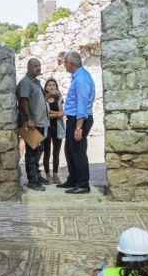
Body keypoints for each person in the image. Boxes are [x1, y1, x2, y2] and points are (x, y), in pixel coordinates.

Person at [58, 51, 95, 194]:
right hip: (74, 119)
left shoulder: (81, 79)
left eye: (65, 63)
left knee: (78, 152)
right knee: (70, 150)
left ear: (71, 64)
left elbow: (82, 104)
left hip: (79, 120)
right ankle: (73, 179)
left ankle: (83, 184)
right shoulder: (78, 76)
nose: (64, 65)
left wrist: (78, 128)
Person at [17, 58, 50, 191]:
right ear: (28, 67)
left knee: (38, 150)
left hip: (41, 122)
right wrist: (29, 119)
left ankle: (36, 175)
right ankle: (33, 181)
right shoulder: (25, 83)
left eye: (39, 65)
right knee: (32, 152)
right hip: (32, 123)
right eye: (35, 66)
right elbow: (23, 102)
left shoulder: (35, 82)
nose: (38, 68)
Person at [42, 78, 65, 184]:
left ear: (56, 87)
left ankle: (55, 174)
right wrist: (54, 114)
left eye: (54, 85)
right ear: (46, 87)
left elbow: (61, 113)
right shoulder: (43, 98)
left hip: (57, 128)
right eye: (49, 85)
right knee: (46, 152)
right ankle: (47, 175)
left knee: (56, 152)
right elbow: (43, 114)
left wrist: (51, 113)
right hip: (46, 128)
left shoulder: (59, 98)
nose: (51, 87)